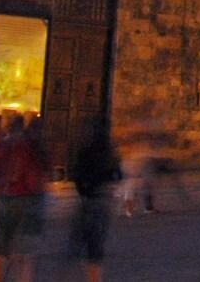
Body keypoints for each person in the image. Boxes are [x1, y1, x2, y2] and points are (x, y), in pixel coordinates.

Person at [0, 113, 47, 282]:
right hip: (27, 200)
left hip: (3, 199)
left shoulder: (4, 144)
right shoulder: (32, 145)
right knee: (24, 256)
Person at [69, 118, 121, 282]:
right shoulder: (107, 151)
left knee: (77, 247)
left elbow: (76, 175)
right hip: (101, 202)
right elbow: (117, 174)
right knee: (95, 249)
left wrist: (83, 190)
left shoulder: (85, 151)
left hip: (88, 202)